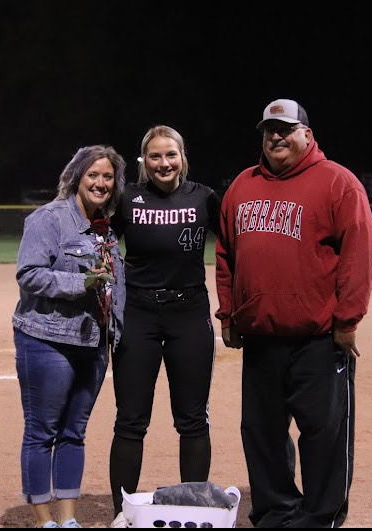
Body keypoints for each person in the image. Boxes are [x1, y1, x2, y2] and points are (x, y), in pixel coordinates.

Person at [215, 99, 372, 528]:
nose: (275, 137)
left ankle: (320, 516)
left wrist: (347, 320)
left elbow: (359, 256)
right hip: (261, 337)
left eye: (285, 128)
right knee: (262, 432)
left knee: (323, 434)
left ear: (307, 133)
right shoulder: (242, 186)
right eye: (269, 130)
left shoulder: (337, 183)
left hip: (318, 338)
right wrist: (228, 314)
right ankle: (275, 510)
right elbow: (226, 254)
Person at [108, 125, 221, 527]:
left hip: (189, 315)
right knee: (130, 419)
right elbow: (99, 241)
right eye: (154, 156)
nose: (163, 163)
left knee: (192, 419)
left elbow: (237, 246)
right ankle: (121, 513)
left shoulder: (204, 197)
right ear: (144, 161)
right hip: (138, 315)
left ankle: (192, 511)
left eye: (170, 155)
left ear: (182, 156)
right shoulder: (127, 199)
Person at [13, 145, 127, 529]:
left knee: (74, 433)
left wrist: (119, 332)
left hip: (93, 342)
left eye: (108, 176)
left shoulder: (105, 229)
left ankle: (68, 520)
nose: (101, 183)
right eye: (93, 175)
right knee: (42, 430)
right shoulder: (49, 219)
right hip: (47, 339)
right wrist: (82, 281)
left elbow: (115, 285)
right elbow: (29, 274)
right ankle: (44, 520)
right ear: (77, 176)